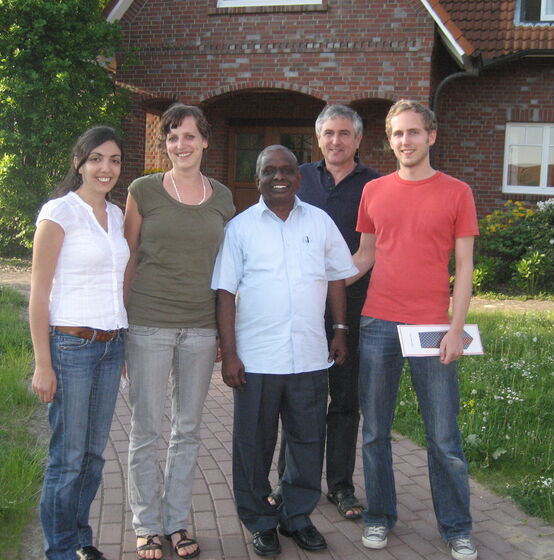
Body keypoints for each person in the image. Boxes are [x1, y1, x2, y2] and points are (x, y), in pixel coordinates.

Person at [211, 145, 358, 557]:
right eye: (269, 171)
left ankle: (297, 517)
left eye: (286, 170)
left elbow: (336, 277)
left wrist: (340, 330)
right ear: (257, 178)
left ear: (299, 177)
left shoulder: (320, 222)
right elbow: (225, 292)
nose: (279, 177)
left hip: (309, 356)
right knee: (253, 445)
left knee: (307, 441)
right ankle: (260, 522)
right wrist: (229, 352)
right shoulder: (240, 228)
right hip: (256, 359)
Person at [352, 99, 479, 560]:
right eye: (397, 134)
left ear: (431, 136)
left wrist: (455, 329)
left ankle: (456, 528)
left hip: (432, 327)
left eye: (413, 132)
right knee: (375, 432)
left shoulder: (457, 192)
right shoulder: (374, 191)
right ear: (390, 141)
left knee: (443, 437)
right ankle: (379, 517)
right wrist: (318, 282)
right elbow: (365, 255)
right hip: (377, 323)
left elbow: (464, 267)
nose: (405, 141)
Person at [124, 103, 235, 560]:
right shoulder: (143, 190)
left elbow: (228, 270)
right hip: (147, 324)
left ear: (205, 141)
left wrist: (225, 334)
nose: (181, 145)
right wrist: (122, 323)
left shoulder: (223, 197)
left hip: (201, 328)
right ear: (164, 144)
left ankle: (176, 522)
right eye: (172, 137)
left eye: (189, 136)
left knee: (187, 430)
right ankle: (147, 525)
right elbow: (128, 257)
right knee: (146, 429)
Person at [269, 104, 380, 520]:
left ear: (358, 139)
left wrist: (330, 284)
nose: (336, 141)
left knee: (345, 400)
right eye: (329, 133)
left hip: (352, 307)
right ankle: (290, 480)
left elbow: (370, 251)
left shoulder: (374, 185)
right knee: (296, 398)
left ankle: (340, 486)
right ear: (318, 138)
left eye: (344, 133)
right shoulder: (298, 179)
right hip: (301, 309)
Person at [30, 126, 129, 560]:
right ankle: (60, 551)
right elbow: (38, 293)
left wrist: (118, 337)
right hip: (70, 348)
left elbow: (116, 283)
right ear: (79, 163)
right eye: (96, 158)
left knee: (92, 455)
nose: (106, 168)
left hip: (110, 346)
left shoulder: (117, 215)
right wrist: (42, 363)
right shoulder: (59, 213)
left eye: (114, 160)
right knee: (67, 458)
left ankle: (79, 538)